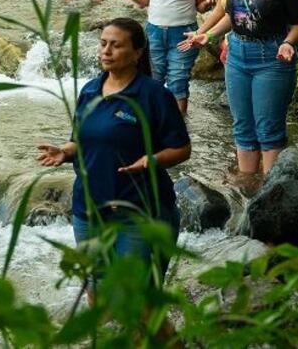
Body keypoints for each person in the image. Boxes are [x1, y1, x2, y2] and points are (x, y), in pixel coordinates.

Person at [36, 17, 190, 294]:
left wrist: (152, 160)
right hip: (89, 210)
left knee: (137, 298)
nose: (106, 51)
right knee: (95, 290)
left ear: (137, 52)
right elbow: (81, 141)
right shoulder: (90, 91)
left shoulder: (153, 95)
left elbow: (182, 148)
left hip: (139, 211)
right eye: (103, 44)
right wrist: (65, 152)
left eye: (116, 45)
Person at [180, 0, 298, 177]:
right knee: (242, 126)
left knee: (268, 129)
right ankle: (247, 182)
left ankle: (270, 186)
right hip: (237, 55)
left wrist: (288, 43)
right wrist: (208, 34)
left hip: (271, 58)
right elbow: (233, 16)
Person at [116, 0, 208, 114]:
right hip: (154, 31)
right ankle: (153, 121)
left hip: (184, 33)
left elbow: (200, 6)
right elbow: (144, 0)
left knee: (178, 80)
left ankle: (178, 125)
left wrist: (210, 3)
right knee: (153, 78)